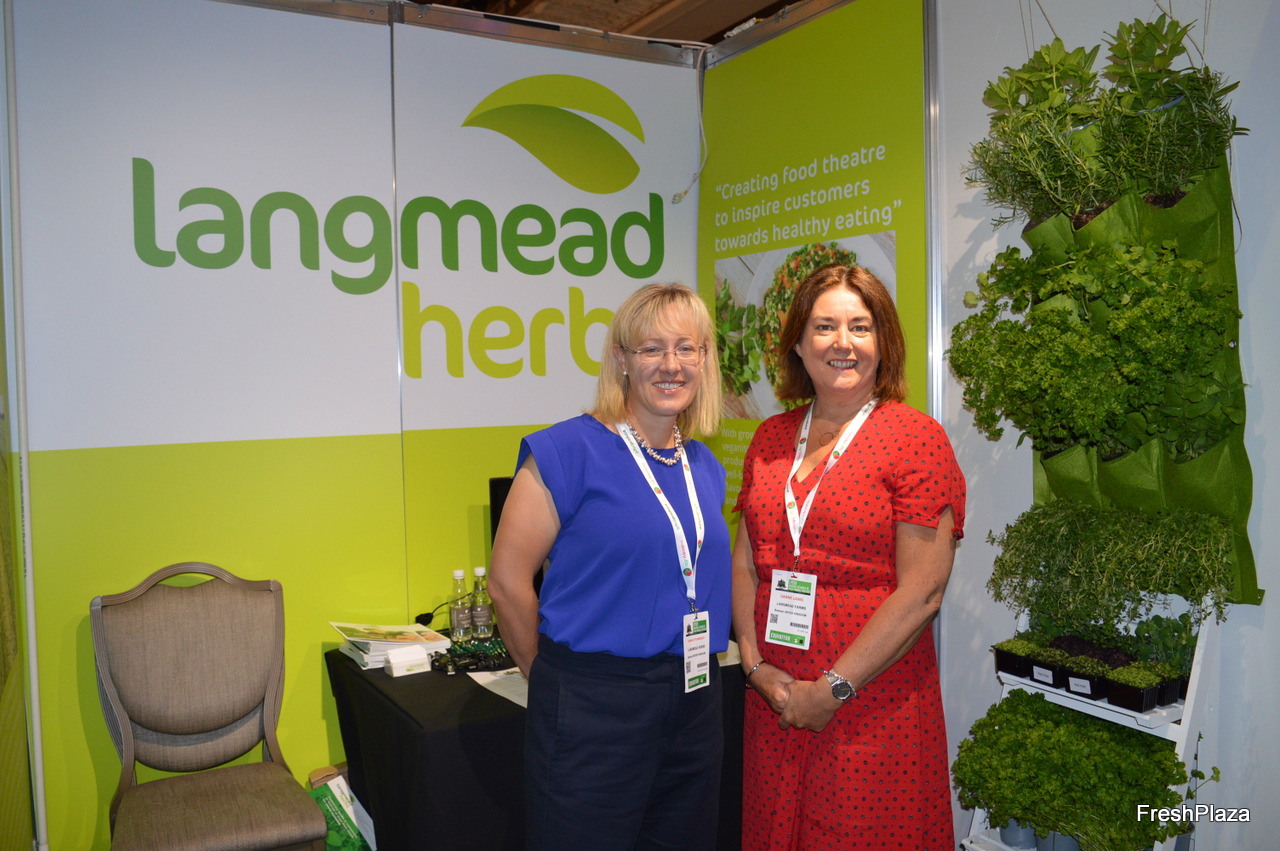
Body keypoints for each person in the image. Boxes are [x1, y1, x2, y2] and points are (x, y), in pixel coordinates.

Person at [489, 282, 731, 851]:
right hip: (595, 704)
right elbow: (506, 583)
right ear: (622, 359)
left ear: (704, 360)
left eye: (687, 348)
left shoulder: (703, 464)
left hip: (695, 697)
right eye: (652, 349)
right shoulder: (565, 451)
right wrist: (552, 681)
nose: (671, 365)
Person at [731, 263, 966, 849]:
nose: (843, 343)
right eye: (824, 327)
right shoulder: (769, 437)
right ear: (798, 344)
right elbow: (747, 561)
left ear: (884, 342)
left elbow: (923, 592)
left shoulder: (915, 438)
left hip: (870, 700)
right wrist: (755, 667)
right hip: (777, 698)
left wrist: (832, 689)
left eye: (860, 327)